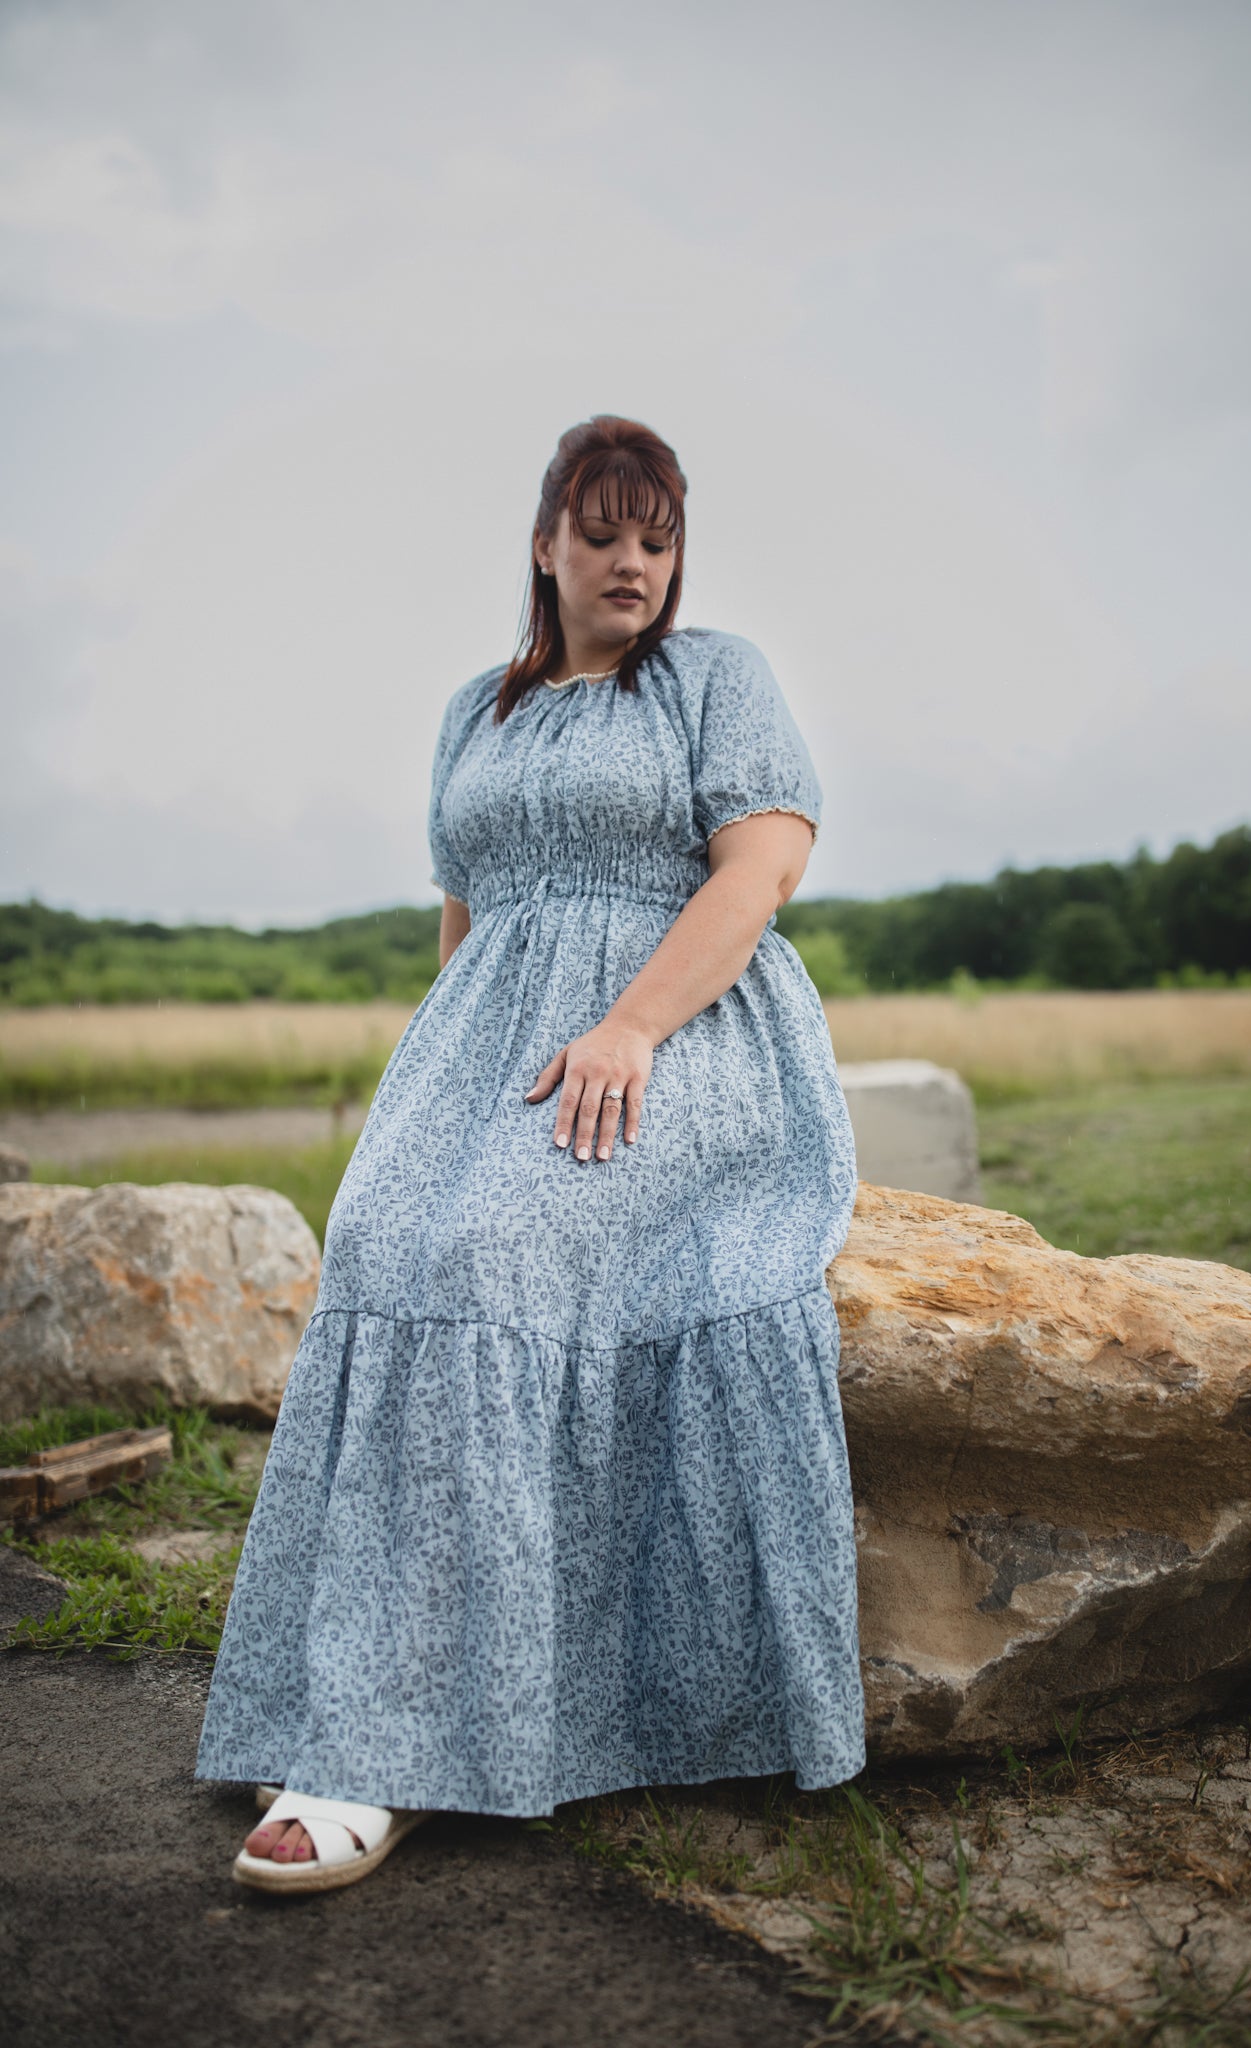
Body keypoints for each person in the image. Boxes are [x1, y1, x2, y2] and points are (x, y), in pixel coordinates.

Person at [196, 414, 865, 1891]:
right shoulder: (473, 711)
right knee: (381, 1241)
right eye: (604, 530)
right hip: (493, 1049)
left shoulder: (714, 679)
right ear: (546, 542)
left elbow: (759, 869)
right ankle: (349, 1687)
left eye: (658, 535)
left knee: (483, 1252)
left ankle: (386, 1747)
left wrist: (628, 1028)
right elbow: (468, 914)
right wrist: (436, 1082)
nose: (633, 561)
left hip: (683, 1045)